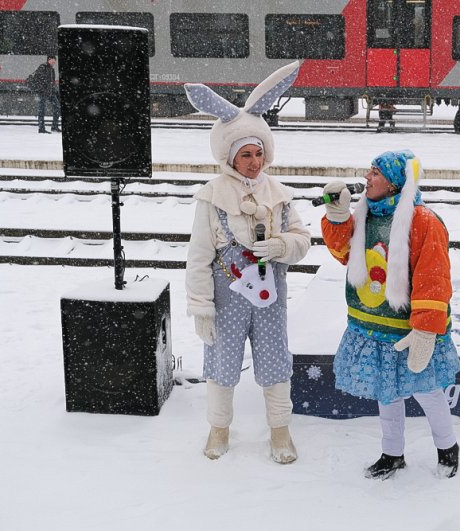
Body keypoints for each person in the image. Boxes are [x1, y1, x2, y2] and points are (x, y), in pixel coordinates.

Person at [184, 62, 311, 463]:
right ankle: (218, 428)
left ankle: (280, 431)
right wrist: (201, 305)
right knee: (221, 365)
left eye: (259, 153)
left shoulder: (279, 192)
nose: (254, 162)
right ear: (230, 156)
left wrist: (282, 247)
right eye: (245, 154)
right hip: (227, 296)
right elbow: (199, 256)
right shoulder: (212, 195)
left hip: (270, 296)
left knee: (276, 362)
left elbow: (303, 239)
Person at [320, 150, 460, 480]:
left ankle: (448, 448)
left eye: (375, 173)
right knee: (388, 394)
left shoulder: (424, 221)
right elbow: (344, 253)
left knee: (428, 392)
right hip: (372, 326)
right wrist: (338, 215)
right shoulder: (366, 216)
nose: (367, 178)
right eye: (368, 171)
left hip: (409, 330)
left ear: (396, 182)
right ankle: (392, 453)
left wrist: (426, 330)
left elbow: (434, 277)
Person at [30, 55, 61, 134]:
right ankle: (41, 128)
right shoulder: (42, 67)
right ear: (49, 60)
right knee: (42, 110)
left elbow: (52, 83)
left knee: (57, 107)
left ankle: (54, 126)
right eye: (53, 60)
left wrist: (55, 91)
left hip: (50, 92)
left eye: (55, 61)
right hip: (42, 92)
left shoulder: (52, 69)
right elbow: (38, 79)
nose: (54, 62)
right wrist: (42, 89)